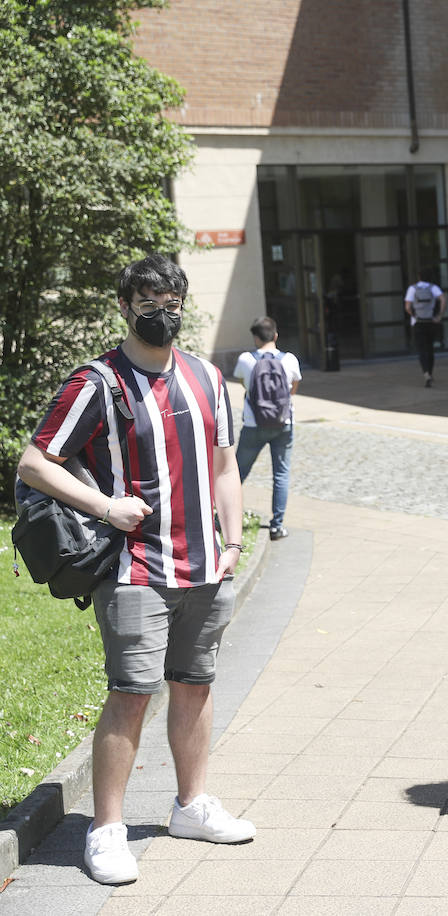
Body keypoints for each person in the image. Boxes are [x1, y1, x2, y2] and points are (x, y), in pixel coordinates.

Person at [16, 255, 254, 886]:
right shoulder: (98, 382)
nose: (162, 311)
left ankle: (191, 805)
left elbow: (225, 467)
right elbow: (35, 462)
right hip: (135, 568)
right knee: (132, 693)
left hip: (205, 565)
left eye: (172, 299)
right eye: (148, 300)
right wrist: (105, 506)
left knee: (196, 684)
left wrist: (233, 543)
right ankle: (107, 830)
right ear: (124, 306)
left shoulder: (206, 377)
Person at [233, 316, 301, 541]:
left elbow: (244, 384)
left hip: (253, 425)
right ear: (276, 336)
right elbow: (293, 387)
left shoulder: (246, 359)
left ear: (255, 337)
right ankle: (277, 526)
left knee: (235, 473)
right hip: (283, 424)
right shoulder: (289, 359)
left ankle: (220, 519)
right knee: (281, 474)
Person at [404, 267, 446, 387]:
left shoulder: (412, 288)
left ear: (419, 277)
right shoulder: (433, 288)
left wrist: (414, 315)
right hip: (430, 322)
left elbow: (407, 307)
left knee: (422, 349)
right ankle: (431, 373)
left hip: (418, 323)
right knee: (430, 349)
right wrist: (439, 315)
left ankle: (425, 373)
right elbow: (443, 299)